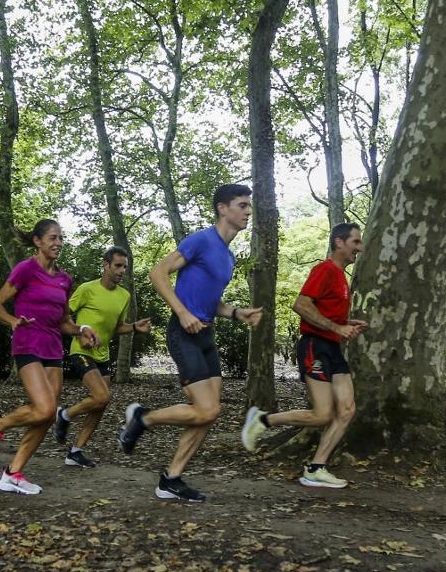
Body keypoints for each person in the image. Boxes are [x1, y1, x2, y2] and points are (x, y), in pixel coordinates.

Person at [118, 184, 263, 502]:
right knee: (207, 408)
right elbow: (158, 273)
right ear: (222, 209)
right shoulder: (201, 240)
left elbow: (212, 303)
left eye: (249, 206)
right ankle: (143, 418)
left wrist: (237, 313)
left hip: (206, 335)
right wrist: (181, 312)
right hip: (183, 333)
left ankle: (171, 479)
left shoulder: (227, 257)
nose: (248, 211)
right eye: (242, 205)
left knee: (209, 413)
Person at [240, 222, 367, 488]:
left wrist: (347, 323)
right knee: (323, 414)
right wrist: (336, 327)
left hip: (332, 348)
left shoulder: (341, 278)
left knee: (346, 410)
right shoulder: (325, 270)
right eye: (355, 242)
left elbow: (327, 313)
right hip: (315, 346)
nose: (360, 248)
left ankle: (315, 468)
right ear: (339, 242)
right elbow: (301, 304)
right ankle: (262, 419)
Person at [0, 219, 99, 495]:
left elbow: (64, 322)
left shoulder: (64, 279)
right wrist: (11, 320)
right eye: (53, 238)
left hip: (53, 349)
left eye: (61, 239)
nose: (58, 243)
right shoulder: (26, 270)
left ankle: (13, 473)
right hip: (28, 344)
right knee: (44, 409)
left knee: (45, 417)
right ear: (38, 241)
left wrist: (81, 330)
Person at [53, 246, 152, 468]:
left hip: (103, 354)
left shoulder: (124, 295)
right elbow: (62, 317)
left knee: (100, 404)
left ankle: (75, 452)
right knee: (102, 397)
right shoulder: (87, 289)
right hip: (81, 350)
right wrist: (80, 331)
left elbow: (117, 327)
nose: (121, 271)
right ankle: (65, 415)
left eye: (124, 267)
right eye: (117, 266)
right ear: (105, 265)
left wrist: (135, 327)